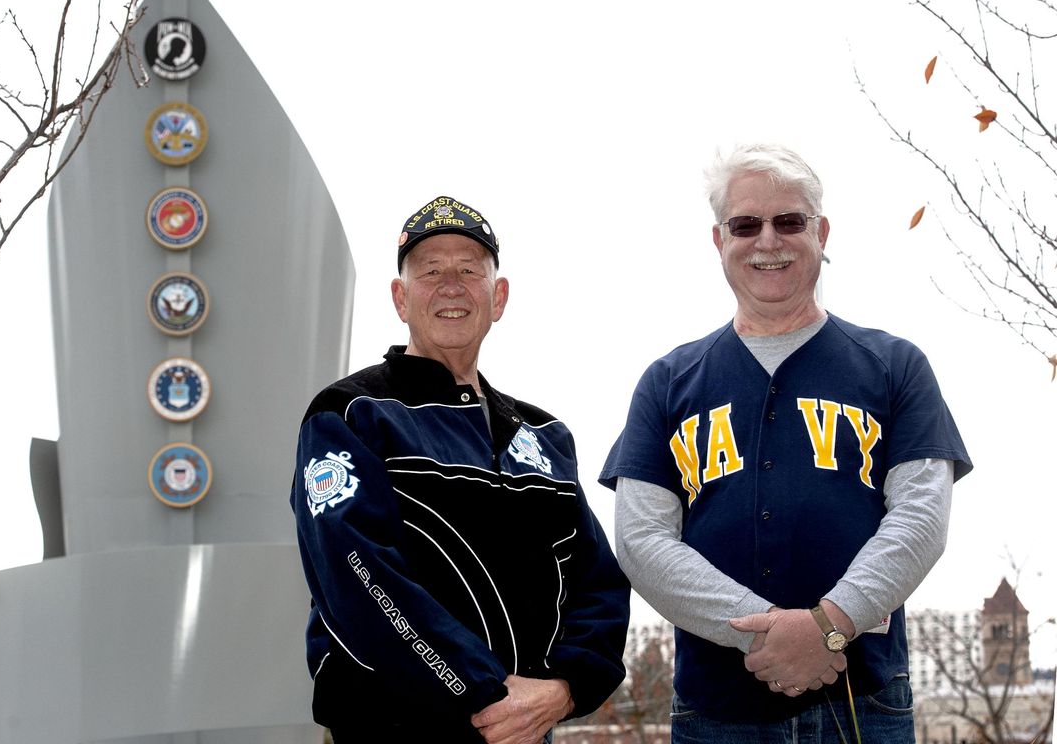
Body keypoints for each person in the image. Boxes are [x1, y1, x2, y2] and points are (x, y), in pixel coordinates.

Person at [599, 144, 972, 743]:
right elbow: (641, 540)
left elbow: (922, 518)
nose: (767, 240)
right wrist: (767, 632)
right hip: (716, 707)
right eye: (745, 224)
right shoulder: (667, 381)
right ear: (719, 241)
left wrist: (828, 624)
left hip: (864, 699)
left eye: (789, 221)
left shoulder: (895, 366)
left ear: (821, 232)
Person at [292, 196, 629, 744]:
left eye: (469, 271)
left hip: (528, 728)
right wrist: (485, 695)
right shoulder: (350, 414)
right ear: (401, 298)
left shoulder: (544, 435)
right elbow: (357, 572)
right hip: (397, 727)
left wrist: (567, 686)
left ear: (498, 298)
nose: (451, 285)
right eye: (430, 272)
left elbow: (598, 582)